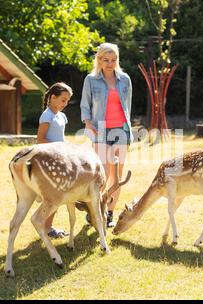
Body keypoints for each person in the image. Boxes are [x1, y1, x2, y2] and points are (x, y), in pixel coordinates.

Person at [80, 43, 133, 228]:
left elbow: (128, 107)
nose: (110, 63)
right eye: (106, 60)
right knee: (101, 174)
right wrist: (88, 123)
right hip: (100, 131)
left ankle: (109, 213)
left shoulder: (125, 79)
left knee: (116, 175)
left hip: (122, 131)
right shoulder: (91, 80)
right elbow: (85, 105)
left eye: (113, 60)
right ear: (99, 60)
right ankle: (96, 211)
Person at [37, 82, 73, 238]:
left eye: (67, 101)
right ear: (53, 97)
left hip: (60, 158)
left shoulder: (61, 115)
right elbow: (40, 139)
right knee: (54, 197)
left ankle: (47, 227)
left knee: (58, 196)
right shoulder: (47, 115)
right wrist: (60, 146)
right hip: (49, 160)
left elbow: (61, 137)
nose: (65, 104)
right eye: (63, 100)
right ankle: (46, 227)